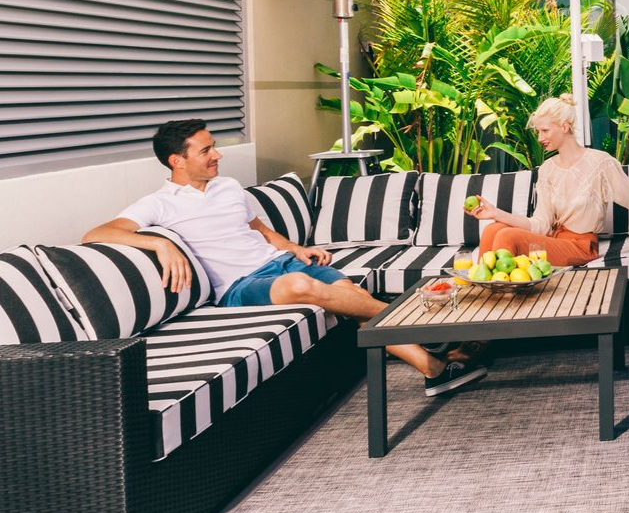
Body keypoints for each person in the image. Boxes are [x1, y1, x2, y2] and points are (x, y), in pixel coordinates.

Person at [82, 119, 485, 398]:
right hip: (239, 287)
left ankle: (434, 371)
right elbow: (98, 233)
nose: (217, 155)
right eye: (206, 150)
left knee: (346, 296)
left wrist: (293, 248)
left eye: (214, 147)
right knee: (305, 288)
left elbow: (259, 228)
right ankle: (419, 325)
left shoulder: (227, 187)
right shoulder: (159, 204)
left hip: (282, 263)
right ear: (177, 160)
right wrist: (161, 244)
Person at [468, 93, 629, 265]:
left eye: (545, 130)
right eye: (538, 131)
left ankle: (498, 296)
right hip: (552, 240)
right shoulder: (547, 169)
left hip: (580, 246)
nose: (540, 138)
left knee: (506, 236)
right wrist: (495, 213)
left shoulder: (600, 163)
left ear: (565, 127)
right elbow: (540, 223)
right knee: (493, 229)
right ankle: (483, 292)